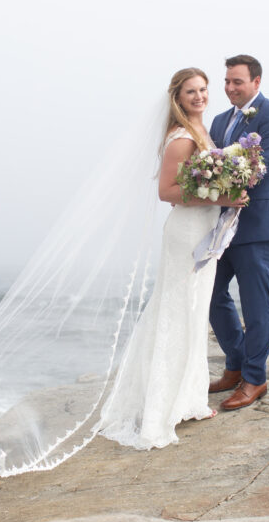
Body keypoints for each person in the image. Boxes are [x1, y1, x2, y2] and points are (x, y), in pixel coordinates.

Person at [96, 67, 247, 449]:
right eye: (190, 92)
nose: (198, 96)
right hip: (186, 235)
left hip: (204, 231)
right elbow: (167, 191)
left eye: (202, 89)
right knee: (178, 311)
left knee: (194, 313)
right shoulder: (181, 138)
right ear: (177, 98)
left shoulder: (203, 131)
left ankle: (189, 399)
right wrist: (223, 198)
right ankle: (160, 409)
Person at [207, 54, 269, 410]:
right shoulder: (218, 120)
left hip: (258, 223)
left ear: (256, 82)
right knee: (210, 293)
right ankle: (236, 363)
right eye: (226, 81)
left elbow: (264, 163)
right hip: (220, 224)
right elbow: (209, 159)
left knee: (257, 304)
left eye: (237, 81)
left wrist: (217, 177)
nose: (229, 88)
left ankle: (255, 378)